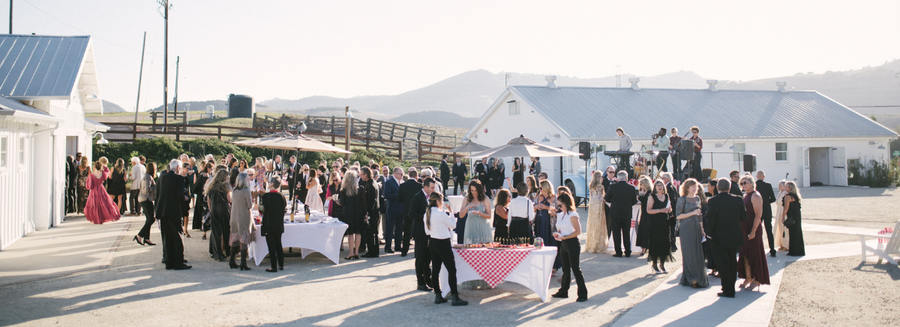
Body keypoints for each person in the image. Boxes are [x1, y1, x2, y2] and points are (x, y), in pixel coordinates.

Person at [423, 192, 469, 306]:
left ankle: (438, 295)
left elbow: (427, 231)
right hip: (443, 242)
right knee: (451, 270)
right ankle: (455, 296)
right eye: (442, 200)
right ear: (438, 201)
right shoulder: (440, 213)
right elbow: (453, 226)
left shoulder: (427, 213)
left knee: (436, 269)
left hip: (432, 241)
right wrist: (452, 213)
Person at [706, 178, 746, 298]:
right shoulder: (738, 200)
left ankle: (727, 289)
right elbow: (743, 217)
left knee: (723, 263)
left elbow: (711, 220)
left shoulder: (713, 201)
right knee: (732, 262)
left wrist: (710, 234)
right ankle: (730, 287)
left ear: (717, 188)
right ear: (729, 188)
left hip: (719, 236)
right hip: (734, 234)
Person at [550, 193, 588, 302]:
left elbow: (578, 231)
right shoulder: (561, 214)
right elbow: (562, 229)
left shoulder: (573, 214)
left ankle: (582, 293)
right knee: (566, 269)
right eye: (558, 206)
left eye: (560, 205)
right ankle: (563, 291)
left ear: (566, 203)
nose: (559, 207)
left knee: (575, 268)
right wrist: (558, 234)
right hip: (564, 243)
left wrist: (564, 236)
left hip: (572, 243)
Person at [737, 175, 770, 291]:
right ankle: (748, 277)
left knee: (754, 254)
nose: (743, 185)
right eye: (741, 183)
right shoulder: (745, 195)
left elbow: (758, 215)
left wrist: (753, 232)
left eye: (745, 183)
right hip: (744, 229)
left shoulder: (756, 196)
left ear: (751, 183)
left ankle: (757, 279)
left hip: (753, 228)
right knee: (745, 254)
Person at [157, 159, 191, 270]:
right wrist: (185, 198)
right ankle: (178, 262)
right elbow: (179, 195)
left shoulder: (162, 177)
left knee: (167, 237)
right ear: (177, 168)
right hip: (174, 211)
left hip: (163, 211)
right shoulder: (179, 179)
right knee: (177, 236)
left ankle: (169, 261)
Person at [675, 178, 709, 288]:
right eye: (693, 186)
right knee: (688, 252)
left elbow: (700, 216)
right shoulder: (682, 199)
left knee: (697, 252)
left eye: (696, 186)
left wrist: (702, 229)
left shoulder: (697, 198)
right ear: (687, 187)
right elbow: (678, 216)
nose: (695, 188)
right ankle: (690, 278)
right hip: (686, 228)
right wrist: (692, 213)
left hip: (696, 227)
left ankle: (698, 277)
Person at [410, 178, 437, 291]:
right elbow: (411, 213)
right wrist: (425, 216)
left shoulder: (432, 197)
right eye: (431, 187)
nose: (433, 189)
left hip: (430, 231)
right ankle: (420, 282)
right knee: (420, 256)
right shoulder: (417, 197)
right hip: (420, 231)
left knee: (428, 256)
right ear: (425, 187)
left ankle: (428, 279)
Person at [645, 179, 674, 274]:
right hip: (655, 223)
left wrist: (669, 210)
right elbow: (648, 210)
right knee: (655, 243)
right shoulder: (652, 196)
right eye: (657, 185)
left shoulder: (666, 196)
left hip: (664, 222)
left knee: (664, 243)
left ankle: (662, 264)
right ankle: (654, 265)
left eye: (661, 185)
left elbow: (669, 209)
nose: (660, 187)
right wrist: (660, 210)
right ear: (655, 187)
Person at [606, 171, 637, 257]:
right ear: (626, 178)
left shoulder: (612, 187)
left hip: (615, 212)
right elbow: (634, 201)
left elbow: (607, 199)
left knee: (616, 233)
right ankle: (627, 251)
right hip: (626, 213)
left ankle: (618, 251)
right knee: (626, 233)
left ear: (618, 178)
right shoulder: (631, 188)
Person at [260, 176, 287, 273]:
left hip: (269, 223)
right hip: (279, 223)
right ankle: (281, 264)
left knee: (271, 246)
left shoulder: (266, 196)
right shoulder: (282, 196)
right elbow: (284, 209)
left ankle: (273, 266)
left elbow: (262, 210)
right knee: (278, 244)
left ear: (271, 184)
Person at [85, 157, 122, 225]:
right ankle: (102, 218)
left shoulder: (91, 175)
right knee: (103, 204)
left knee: (95, 205)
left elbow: (89, 186)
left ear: (94, 167)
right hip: (101, 190)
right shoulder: (102, 174)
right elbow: (106, 175)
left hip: (94, 191)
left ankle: (96, 218)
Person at [534, 180, 561, 272]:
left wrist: (545, 207)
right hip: (539, 222)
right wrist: (536, 207)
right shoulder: (539, 196)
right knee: (540, 242)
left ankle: (553, 266)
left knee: (551, 242)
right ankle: (541, 265)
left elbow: (558, 210)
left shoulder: (555, 197)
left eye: (541, 188)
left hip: (550, 223)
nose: (539, 190)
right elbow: (533, 206)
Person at [205, 170, 232, 262]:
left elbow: (208, 200)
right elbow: (229, 199)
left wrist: (210, 209)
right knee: (226, 230)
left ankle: (217, 254)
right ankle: (228, 251)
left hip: (214, 208)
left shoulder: (211, 186)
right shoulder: (225, 186)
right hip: (223, 208)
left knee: (216, 232)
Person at [229, 173, 254, 270]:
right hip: (243, 217)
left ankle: (232, 260)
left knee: (235, 239)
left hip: (234, 216)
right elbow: (250, 205)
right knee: (244, 240)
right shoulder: (246, 191)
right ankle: (243, 262)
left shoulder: (234, 190)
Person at [338, 171, 365, 260]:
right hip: (359, 213)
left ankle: (351, 253)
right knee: (358, 232)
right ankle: (356, 252)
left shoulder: (343, 190)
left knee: (350, 234)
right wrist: (365, 214)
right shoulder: (360, 189)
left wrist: (337, 202)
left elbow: (342, 203)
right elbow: (363, 203)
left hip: (348, 213)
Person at [398, 169, 422, 257]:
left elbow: (399, 199)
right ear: (416, 176)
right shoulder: (420, 186)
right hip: (417, 211)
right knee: (416, 231)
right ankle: (417, 252)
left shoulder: (403, 185)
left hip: (407, 210)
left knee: (406, 231)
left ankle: (404, 250)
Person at [134, 162, 158, 246]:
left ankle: (147, 238)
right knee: (152, 219)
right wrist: (156, 186)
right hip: (146, 199)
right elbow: (147, 189)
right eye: (155, 168)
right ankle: (139, 235)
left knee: (149, 219)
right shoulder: (148, 177)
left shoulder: (147, 176)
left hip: (143, 199)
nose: (156, 170)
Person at [359, 167, 381, 258]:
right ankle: (374, 251)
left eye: (361, 174)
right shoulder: (373, 183)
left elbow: (371, 200)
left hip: (372, 213)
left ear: (366, 175)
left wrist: (367, 214)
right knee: (374, 233)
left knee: (371, 233)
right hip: (375, 211)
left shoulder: (370, 185)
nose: (360, 176)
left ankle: (372, 251)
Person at [755, 171, 777, 257]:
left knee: (757, 230)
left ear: (756, 176)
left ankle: (758, 249)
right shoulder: (768, 185)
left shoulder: (754, 185)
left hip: (757, 209)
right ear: (764, 176)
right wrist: (767, 202)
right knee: (769, 230)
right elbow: (773, 198)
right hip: (767, 209)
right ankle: (772, 249)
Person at [585, 171, 608, 253]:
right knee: (600, 226)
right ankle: (599, 245)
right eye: (602, 177)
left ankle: (592, 244)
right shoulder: (600, 187)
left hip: (592, 207)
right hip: (599, 207)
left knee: (593, 225)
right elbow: (600, 198)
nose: (603, 178)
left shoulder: (591, 186)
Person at [781, 181, 805, 256]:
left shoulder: (788, 197)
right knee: (798, 232)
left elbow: (786, 208)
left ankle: (793, 251)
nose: (785, 187)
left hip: (791, 215)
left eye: (786, 186)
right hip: (797, 215)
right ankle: (799, 250)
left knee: (792, 233)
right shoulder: (796, 195)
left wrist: (783, 217)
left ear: (790, 188)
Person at [383, 167, 404, 253]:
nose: (402, 176)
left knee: (399, 228)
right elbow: (386, 195)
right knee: (390, 229)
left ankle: (398, 246)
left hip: (401, 208)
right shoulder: (389, 182)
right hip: (392, 208)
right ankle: (388, 246)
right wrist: (398, 194)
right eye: (401, 174)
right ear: (395, 174)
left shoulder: (402, 182)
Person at [662, 173, 680, 252]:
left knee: (670, 229)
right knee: (671, 229)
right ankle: (672, 244)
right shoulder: (672, 187)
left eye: (662, 178)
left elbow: (672, 200)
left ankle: (672, 245)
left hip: (670, 212)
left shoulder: (669, 188)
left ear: (666, 179)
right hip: (672, 211)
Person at [193, 162, 212, 238]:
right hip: (203, 196)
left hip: (201, 195)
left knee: (203, 213)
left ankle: (202, 228)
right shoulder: (204, 175)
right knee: (204, 213)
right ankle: (203, 228)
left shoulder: (203, 175)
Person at [635, 177, 652, 255]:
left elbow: (644, 201)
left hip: (648, 214)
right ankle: (644, 247)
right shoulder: (645, 192)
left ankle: (645, 248)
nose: (640, 186)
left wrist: (640, 196)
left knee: (646, 230)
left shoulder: (649, 193)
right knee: (643, 230)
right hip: (644, 214)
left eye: (641, 184)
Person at [774, 180, 789, 252]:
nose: (778, 186)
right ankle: (781, 244)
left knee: (784, 229)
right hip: (778, 212)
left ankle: (786, 244)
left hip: (783, 211)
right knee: (779, 228)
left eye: (780, 185)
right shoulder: (780, 193)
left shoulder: (785, 193)